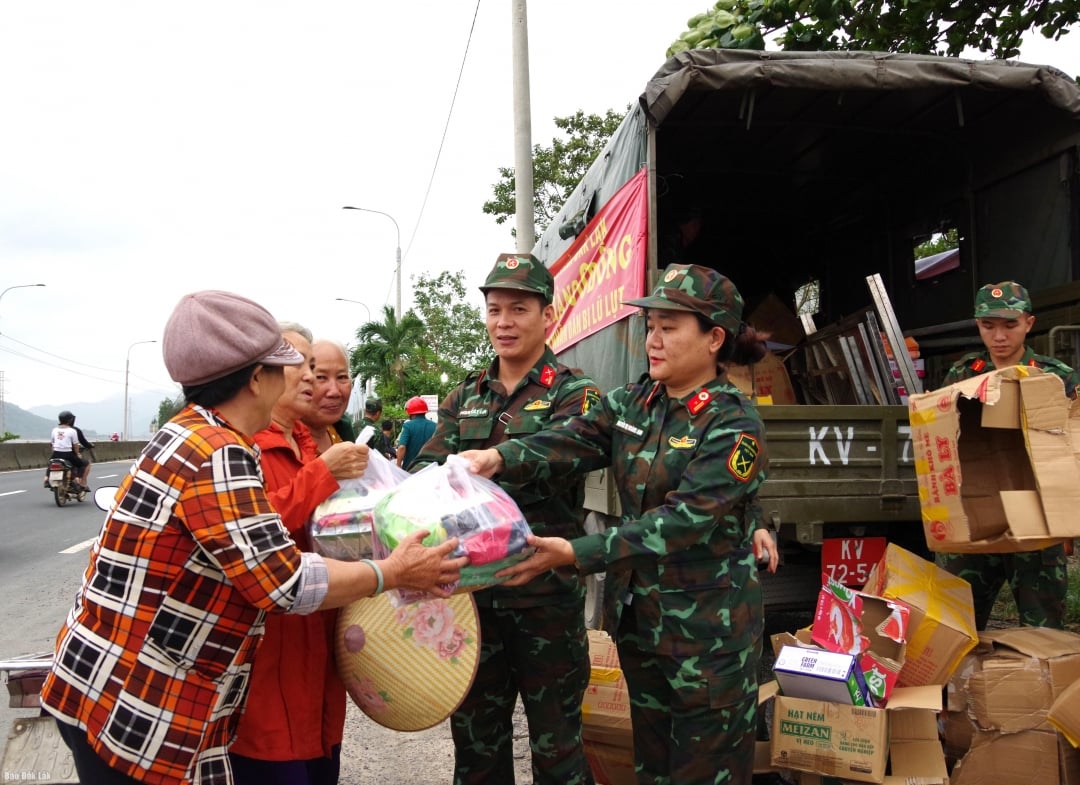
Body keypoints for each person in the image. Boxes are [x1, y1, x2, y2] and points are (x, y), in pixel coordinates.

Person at [40, 290, 466, 785]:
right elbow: (282, 583)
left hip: (97, 680)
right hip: (137, 702)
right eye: (290, 368)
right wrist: (392, 573)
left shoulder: (185, 431)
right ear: (256, 378)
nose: (304, 380)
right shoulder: (221, 452)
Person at [462, 263, 779, 785]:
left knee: (706, 774)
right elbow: (572, 437)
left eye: (669, 327)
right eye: (650, 326)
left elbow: (682, 521)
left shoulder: (734, 422)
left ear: (714, 339)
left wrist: (573, 552)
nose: (652, 340)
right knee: (650, 770)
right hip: (643, 628)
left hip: (707, 639)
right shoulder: (638, 402)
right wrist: (496, 458)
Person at [411, 252, 599, 785]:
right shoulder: (464, 396)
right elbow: (427, 474)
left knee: (558, 747)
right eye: (495, 310)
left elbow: (577, 447)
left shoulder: (573, 393)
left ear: (547, 316)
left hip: (543, 597)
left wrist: (500, 458)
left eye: (518, 309)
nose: (504, 323)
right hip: (472, 604)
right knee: (476, 749)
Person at [936, 280, 1078, 630]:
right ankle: (961, 687)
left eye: (1010, 325)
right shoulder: (962, 374)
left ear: (1029, 323)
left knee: (1045, 631)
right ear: (978, 326)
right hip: (974, 518)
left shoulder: (1055, 377)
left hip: (1037, 519)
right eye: (988, 326)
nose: (999, 336)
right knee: (956, 626)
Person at [303, 338, 355, 455]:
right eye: (321, 377)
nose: (334, 392)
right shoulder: (279, 444)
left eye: (342, 377)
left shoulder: (344, 432)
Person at [46, 411, 89, 492]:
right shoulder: (72, 431)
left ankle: (46, 478)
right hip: (68, 454)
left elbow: (52, 443)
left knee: (50, 464)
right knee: (82, 465)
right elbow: (75, 445)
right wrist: (77, 454)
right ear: (70, 420)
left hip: (56, 453)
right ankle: (78, 480)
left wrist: (54, 452)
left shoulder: (54, 430)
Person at [396, 397, 436, 469]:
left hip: (411, 468)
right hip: (430, 468)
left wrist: (398, 465)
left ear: (410, 413)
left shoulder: (408, 425)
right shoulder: (435, 426)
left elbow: (401, 447)